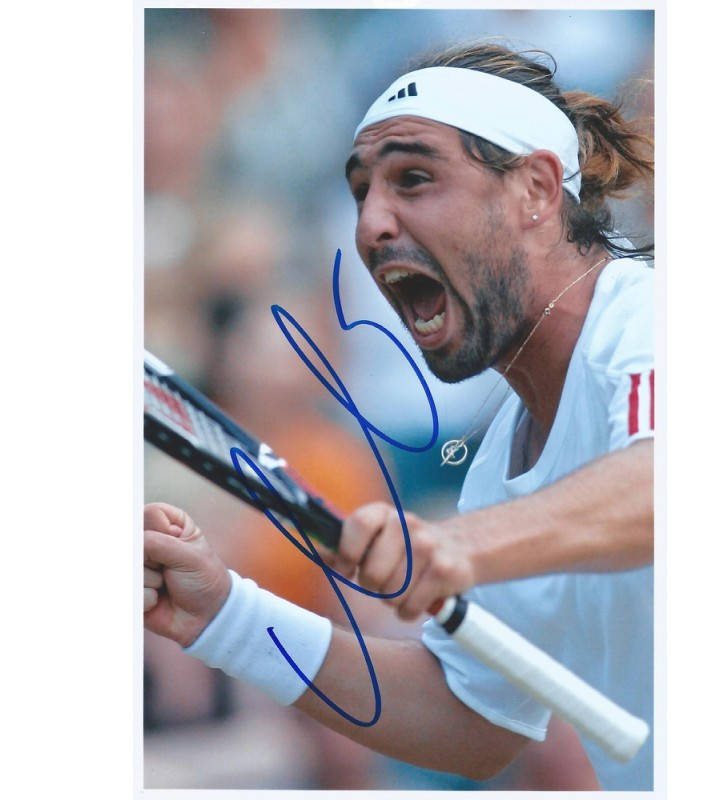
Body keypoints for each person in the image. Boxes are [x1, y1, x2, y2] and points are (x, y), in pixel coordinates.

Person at [143, 41, 654, 791]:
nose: (371, 224)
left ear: (537, 189)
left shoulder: (651, 320)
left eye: (414, 178)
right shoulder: (501, 466)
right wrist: (227, 615)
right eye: (360, 192)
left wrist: (461, 544)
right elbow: (474, 724)